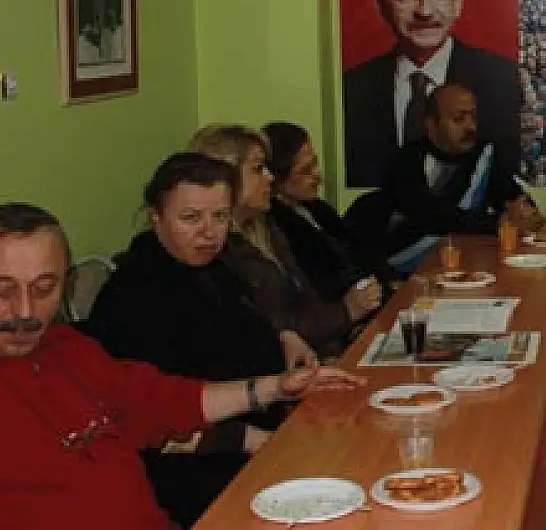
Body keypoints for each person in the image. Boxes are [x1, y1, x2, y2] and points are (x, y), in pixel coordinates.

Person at [1, 201, 364, 529]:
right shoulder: (140, 294)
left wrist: (276, 387)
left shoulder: (69, 349)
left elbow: (160, 401)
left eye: (43, 288)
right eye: (4, 290)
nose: (25, 311)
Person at [343, 0, 521, 188]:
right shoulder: (350, 89)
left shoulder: (506, 81)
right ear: (383, 6)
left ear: (458, 2)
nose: (424, 10)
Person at [189, 125, 380, 357]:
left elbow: (308, 299)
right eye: (258, 169)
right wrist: (347, 311)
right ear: (225, 177)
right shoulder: (218, 248)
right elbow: (270, 330)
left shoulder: (266, 226)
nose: (269, 177)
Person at [382, 83, 544, 270]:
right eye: (459, 119)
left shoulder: (484, 156)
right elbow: (435, 217)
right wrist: (499, 223)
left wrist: (526, 214)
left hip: (468, 266)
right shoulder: (405, 162)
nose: (470, 127)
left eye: (473, 117)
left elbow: (511, 196)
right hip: (407, 270)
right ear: (431, 125)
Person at [263, 122, 397, 304]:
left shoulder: (318, 208)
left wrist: (390, 282)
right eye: (305, 171)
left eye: (315, 164)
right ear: (277, 179)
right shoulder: (278, 227)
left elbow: (359, 250)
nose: (317, 175)